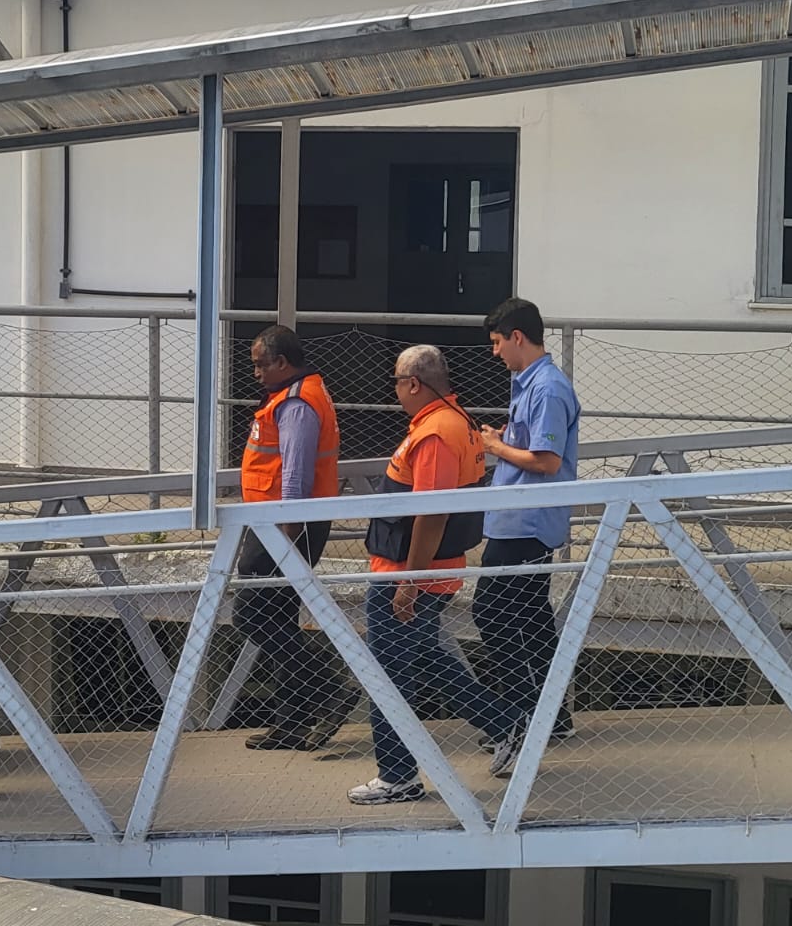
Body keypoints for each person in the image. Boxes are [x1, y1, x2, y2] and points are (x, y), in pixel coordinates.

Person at [348, 344, 522, 806]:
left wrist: (409, 582)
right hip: (433, 571)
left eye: (397, 383)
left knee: (388, 674)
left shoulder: (435, 434)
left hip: (408, 576)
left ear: (413, 384)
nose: (395, 392)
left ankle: (397, 775)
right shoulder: (458, 423)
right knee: (425, 658)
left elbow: (430, 514)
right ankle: (506, 723)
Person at [234, 325, 358, 751]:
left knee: (250, 614)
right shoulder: (297, 395)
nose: (255, 373)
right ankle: (292, 722)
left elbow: (295, 476)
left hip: (285, 526)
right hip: (278, 522)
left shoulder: (297, 403)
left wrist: (286, 535)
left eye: (259, 364)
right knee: (279, 617)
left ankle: (331, 690)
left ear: (282, 363)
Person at [476, 299, 582, 745]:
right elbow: (534, 449)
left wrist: (495, 449)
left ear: (517, 337)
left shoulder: (547, 389)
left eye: (498, 343)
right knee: (532, 618)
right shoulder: (531, 384)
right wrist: (503, 441)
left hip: (526, 523)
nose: (495, 353)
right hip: (520, 520)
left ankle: (521, 718)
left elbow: (546, 460)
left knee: (491, 614)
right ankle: (550, 715)